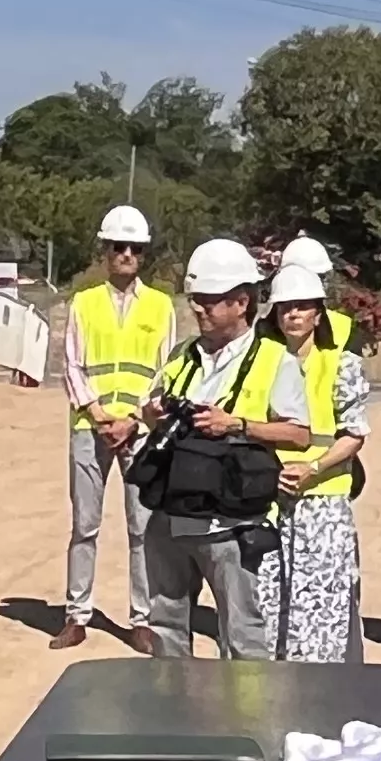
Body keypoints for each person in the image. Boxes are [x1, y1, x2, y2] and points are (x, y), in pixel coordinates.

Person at [137, 238, 305, 658]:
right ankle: (173, 708)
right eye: (196, 300)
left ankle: (244, 720)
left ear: (242, 302)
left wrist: (236, 425)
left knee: (242, 632)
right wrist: (155, 413)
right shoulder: (182, 356)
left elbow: (298, 433)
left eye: (210, 301)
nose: (198, 309)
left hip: (229, 522)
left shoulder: (275, 360)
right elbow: (148, 410)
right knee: (166, 620)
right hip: (170, 514)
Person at [56, 205, 173, 651]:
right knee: (84, 525)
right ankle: (76, 614)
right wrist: (99, 414)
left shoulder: (161, 306)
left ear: (142, 254)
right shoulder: (84, 303)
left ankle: (141, 619)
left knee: (142, 528)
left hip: (139, 431)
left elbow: (164, 371)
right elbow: (72, 364)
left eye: (134, 248)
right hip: (91, 427)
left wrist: (133, 420)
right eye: (118, 247)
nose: (126, 254)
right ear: (105, 251)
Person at [263, 255, 371, 662]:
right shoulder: (262, 363)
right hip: (272, 501)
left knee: (318, 618)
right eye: (286, 307)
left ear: (317, 313)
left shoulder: (341, 363)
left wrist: (313, 469)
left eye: (302, 306)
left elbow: (354, 433)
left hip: (322, 503)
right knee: (271, 609)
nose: (293, 314)